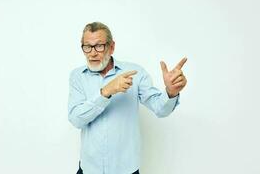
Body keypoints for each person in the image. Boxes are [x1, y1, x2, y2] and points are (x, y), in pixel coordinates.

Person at [68, 22, 187, 174]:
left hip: (125, 169)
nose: (92, 53)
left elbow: (160, 109)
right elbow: (76, 119)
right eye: (87, 46)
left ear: (111, 47)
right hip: (89, 169)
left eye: (99, 46)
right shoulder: (77, 76)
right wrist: (106, 91)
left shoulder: (135, 72)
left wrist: (171, 92)